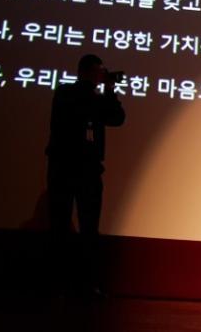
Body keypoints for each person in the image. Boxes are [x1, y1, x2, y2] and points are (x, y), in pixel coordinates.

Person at [46, 53, 126, 295]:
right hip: (66, 167)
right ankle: (60, 282)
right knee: (61, 225)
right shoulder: (68, 92)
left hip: (86, 169)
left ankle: (85, 282)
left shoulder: (94, 97)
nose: (102, 75)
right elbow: (93, 108)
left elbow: (117, 118)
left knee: (89, 227)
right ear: (88, 71)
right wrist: (104, 88)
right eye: (100, 70)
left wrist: (109, 90)